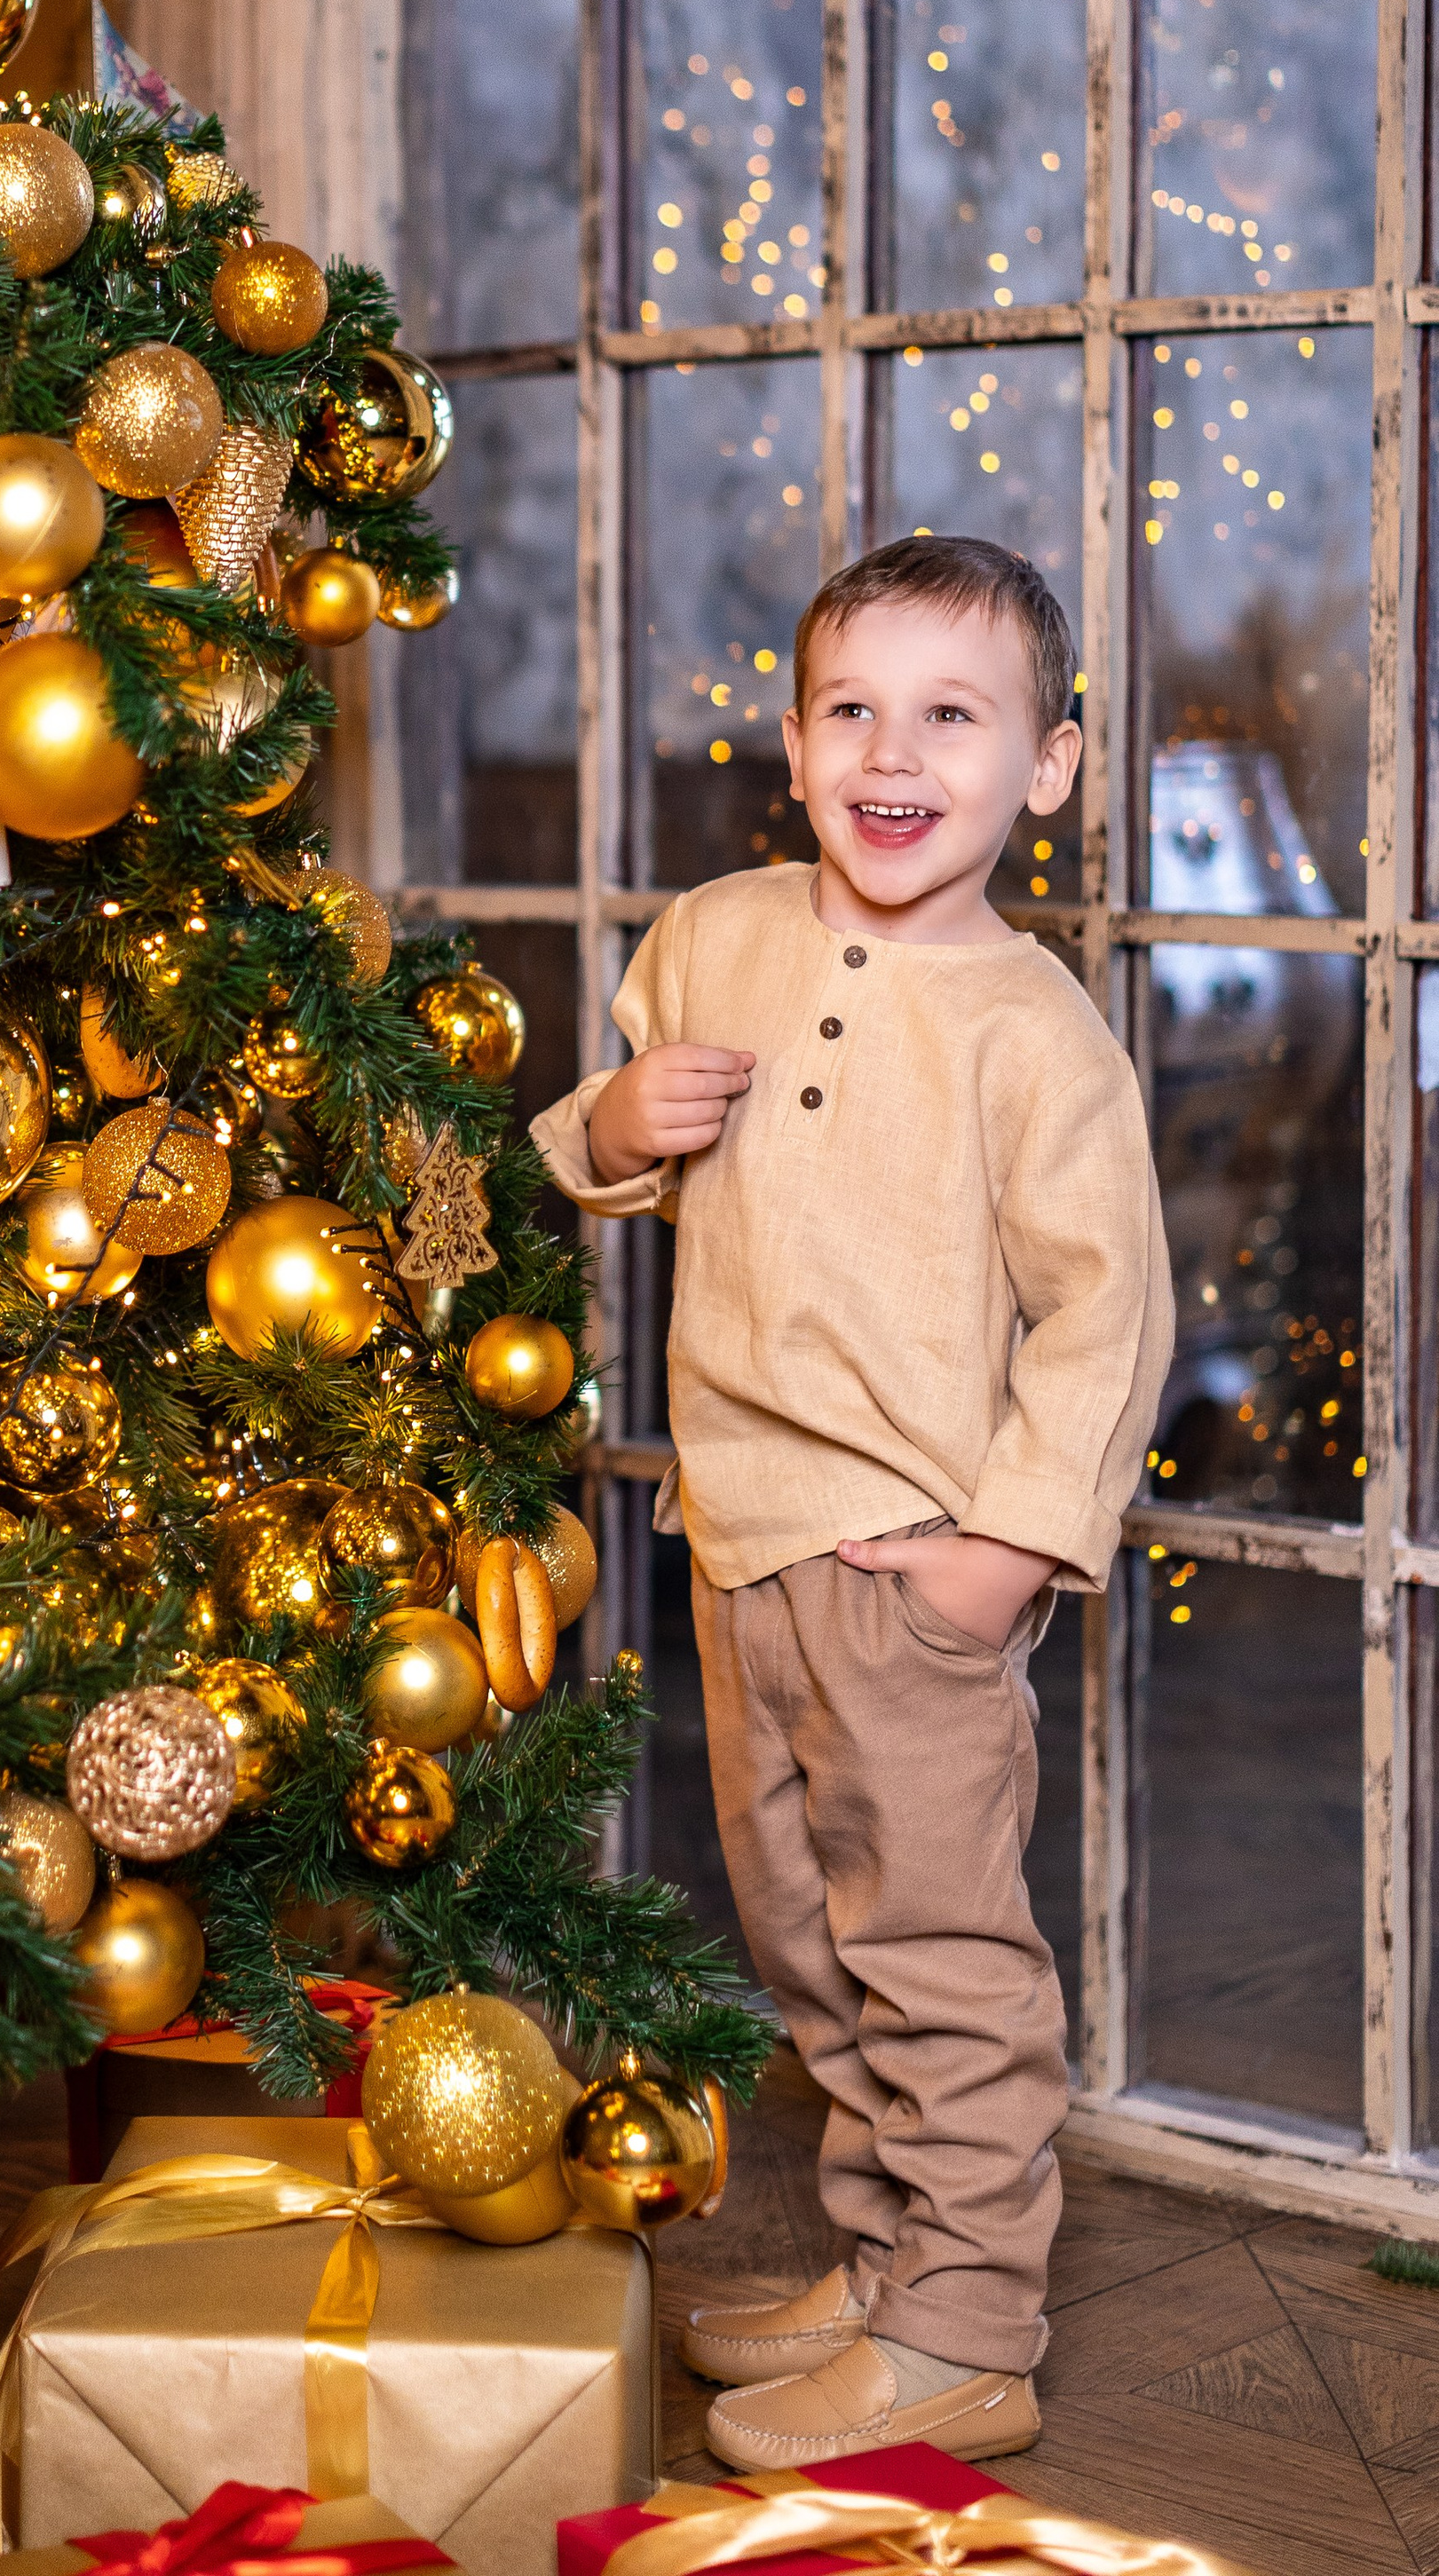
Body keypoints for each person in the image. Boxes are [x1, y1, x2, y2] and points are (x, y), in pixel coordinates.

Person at [531, 533, 1170, 2472]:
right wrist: (607, 1133)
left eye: (951, 717)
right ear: (794, 744)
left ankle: (970, 2327)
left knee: (940, 1952)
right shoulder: (712, 936)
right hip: (735, 1542)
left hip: (908, 1567)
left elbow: (1105, 1316)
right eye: (851, 710)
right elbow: (615, 1120)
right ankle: (889, 2265)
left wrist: (1002, 1552)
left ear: (1044, 769)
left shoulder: (1032, 1037)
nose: (894, 754)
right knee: (807, 1939)